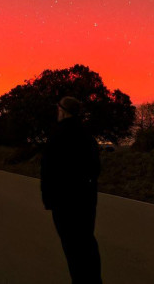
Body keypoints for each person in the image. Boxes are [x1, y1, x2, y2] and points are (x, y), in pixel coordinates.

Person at [40, 96, 102, 284]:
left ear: (63, 111)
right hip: (86, 199)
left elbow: (47, 170)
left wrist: (48, 200)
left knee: (72, 248)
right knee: (87, 243)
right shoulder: (87, 136)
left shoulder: (57, 136)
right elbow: (95, 168)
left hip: (63, 202)